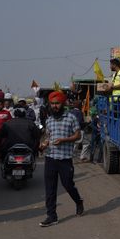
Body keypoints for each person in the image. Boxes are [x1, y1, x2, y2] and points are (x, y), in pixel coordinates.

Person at [39, 91, 84, 227]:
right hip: (50, 158)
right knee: (50, 188)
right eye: (52, 104)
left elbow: (77, 136)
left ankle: (78, 201)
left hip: (65, 158)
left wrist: (64, 140)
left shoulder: (71, 118)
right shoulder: (49, 120)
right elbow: (48, 137)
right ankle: (52, 216)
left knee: (68, 185)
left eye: (57, 103)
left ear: (63, 103)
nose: (55, 106)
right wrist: (44, 144)